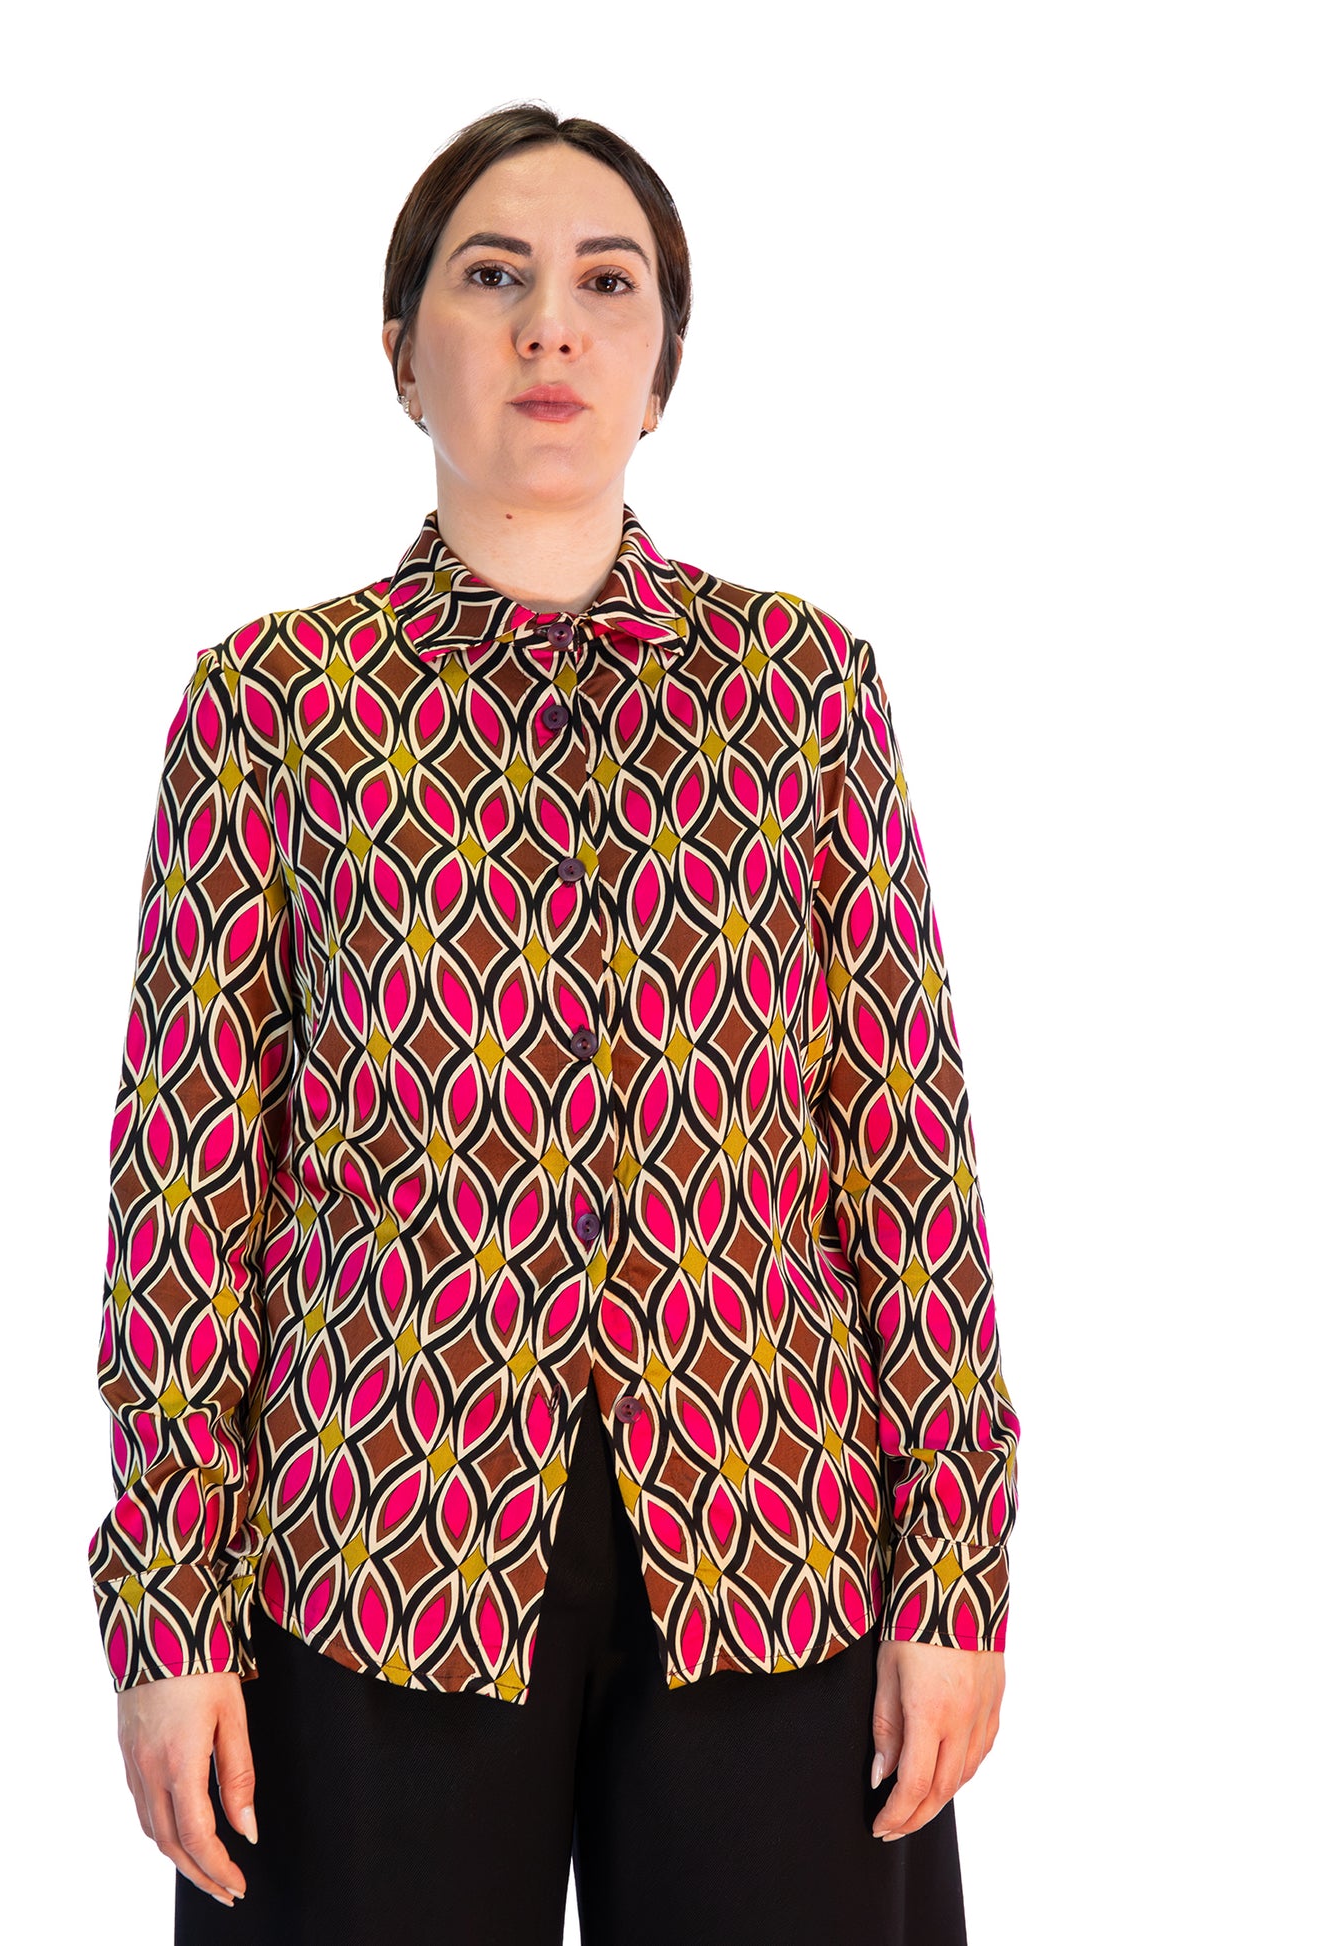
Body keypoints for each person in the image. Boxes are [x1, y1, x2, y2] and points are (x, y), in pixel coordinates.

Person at [86, 103, 1020, 1946]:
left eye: (607, 285)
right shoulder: (272, 704)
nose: (548, 327)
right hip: (377, 1534)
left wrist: (957, 1567)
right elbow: (186, 1180)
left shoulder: (800, 689)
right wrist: (169, 1617)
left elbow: (903, 1140)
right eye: (491, 276)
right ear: (400, 351)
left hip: (776, 1520)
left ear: (661, 368)